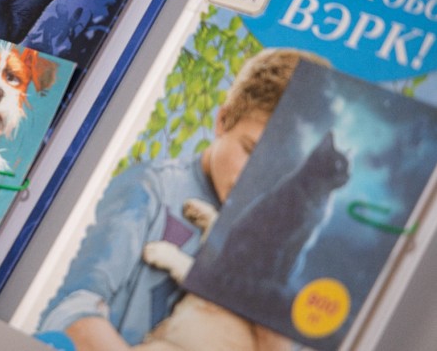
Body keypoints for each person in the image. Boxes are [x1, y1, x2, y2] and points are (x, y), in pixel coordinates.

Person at [37, 47, 329, 350]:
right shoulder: (151, 188)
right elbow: (72, 305)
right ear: (223, 120)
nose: (256, 180)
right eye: (250, 151)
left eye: (280, 167)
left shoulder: (276, 237)